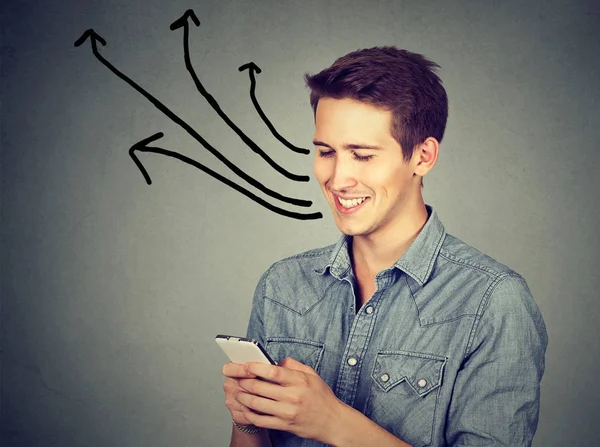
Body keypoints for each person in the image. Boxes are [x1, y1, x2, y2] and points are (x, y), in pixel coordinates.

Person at [221, 46, 548, 447]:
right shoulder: (282, 285)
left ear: (423, 157)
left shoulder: (494, 301)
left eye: (362, 155)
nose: (338, 179)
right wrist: (248, 419)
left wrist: (334, 423)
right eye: (326, 152)